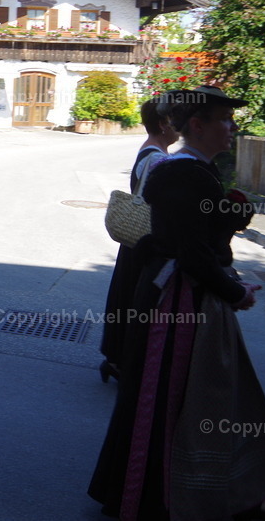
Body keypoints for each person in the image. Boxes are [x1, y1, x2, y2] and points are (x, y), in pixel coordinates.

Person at [88, 85, 265, 520]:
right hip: (179, 305)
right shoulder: (185, 173)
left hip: (185, 296)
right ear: (197, 125)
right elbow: (191, 254)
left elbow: (189, 241)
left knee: (199, 394)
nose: (232, 127)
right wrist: (235, 292)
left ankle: (227, 491)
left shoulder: (194, 171)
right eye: (224, 120)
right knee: (177, 397)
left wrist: (227, 237)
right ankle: (159, 497)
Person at [98, 97, 177, 382]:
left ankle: (116, 359)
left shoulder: (151, 151)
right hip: (145, 238)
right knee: (136, 302)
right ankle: (123, 363)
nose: (179, 126)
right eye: (175, 119)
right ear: (163, 123)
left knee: (127, 299)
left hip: (136, 238)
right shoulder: (158, 158)